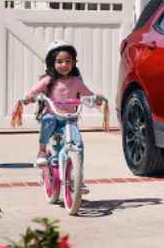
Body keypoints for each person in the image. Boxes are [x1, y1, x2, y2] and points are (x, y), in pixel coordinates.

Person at [22, 40, 103, 193]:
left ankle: (77, 178)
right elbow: (34, 90)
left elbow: (88, 95)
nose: (64, 65)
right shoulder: (48, 80)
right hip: (52, 115)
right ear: (52, 63)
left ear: (73, 63)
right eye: (59, 62)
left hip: (69, 119)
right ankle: (41, 151)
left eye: (68, 61)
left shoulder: (76, 81)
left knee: (78, 145)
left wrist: (96, 99)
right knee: (47, 123)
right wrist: (28, 96)